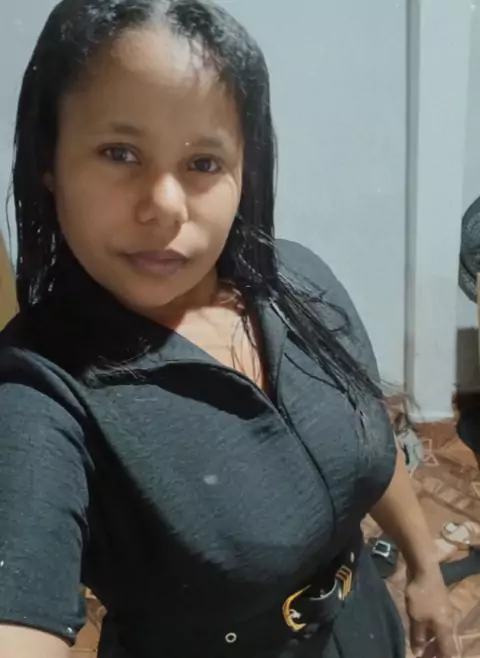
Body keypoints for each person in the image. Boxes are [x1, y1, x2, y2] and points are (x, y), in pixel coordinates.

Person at [0, 1, 454, 657]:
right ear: (51, 161)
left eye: (204, 162)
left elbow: (367, 444)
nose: (165, 205)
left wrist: (425, 568)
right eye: (119, 152)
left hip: (364, 626)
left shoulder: (299, 281)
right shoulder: (38, 390)